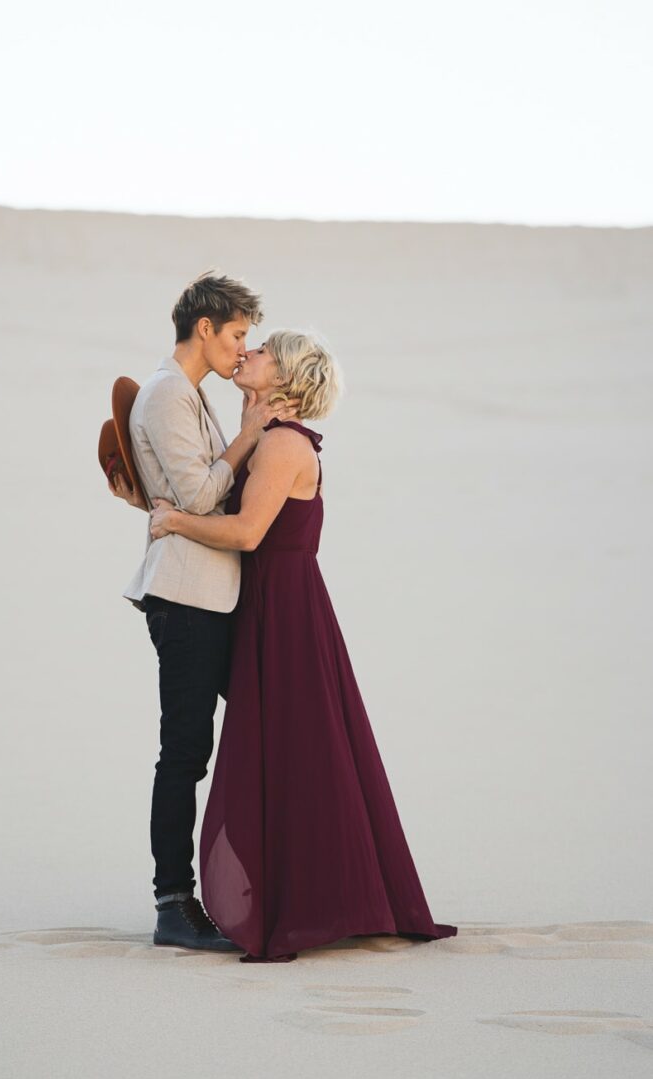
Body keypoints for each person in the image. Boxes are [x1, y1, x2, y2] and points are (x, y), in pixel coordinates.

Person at [148, 330, 458, 962]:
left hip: (283, 610)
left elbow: (245, 530)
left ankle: (314, 900)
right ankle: (297, 890)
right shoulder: (263, 437)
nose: (248, 354)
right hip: (264, 606)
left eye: (260, 351)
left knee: (302, 750)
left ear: (283, 378)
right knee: (293, 750)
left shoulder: (285, 445)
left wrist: (173, 521)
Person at [109, 272, 299, 953]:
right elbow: (197, 494)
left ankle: (256, 883)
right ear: (205, 329)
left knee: (237, 738)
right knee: (185, 751)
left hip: (207, 594)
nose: (241, 349)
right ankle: (173, 905)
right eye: (238, 335)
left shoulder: (184, 395)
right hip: (185, 597)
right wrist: (248, 435)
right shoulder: (165, 393)